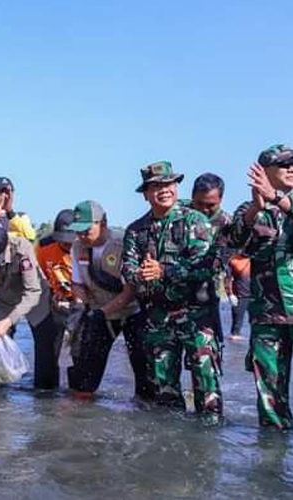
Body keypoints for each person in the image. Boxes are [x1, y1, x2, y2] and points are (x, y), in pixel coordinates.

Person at [122, 161, 222, 425]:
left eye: (168, 184)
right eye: (155, 186)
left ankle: (210, 444)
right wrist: (142, 274)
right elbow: (128, 269)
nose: (163, 190)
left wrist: (164, 271)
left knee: (206, 386)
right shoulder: (136, 230)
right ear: (145, 193)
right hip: (158, 317)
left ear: (176, 187)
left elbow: (206, 267)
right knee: (164, 390)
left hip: (197, 316)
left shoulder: (196, 220)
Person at [228, 144, 293, 429]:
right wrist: (258, 206)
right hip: (268, 315)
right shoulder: (250, 209)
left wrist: (278, 199)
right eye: (284, 164)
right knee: (270, 396)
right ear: (263, 171)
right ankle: (271, 460)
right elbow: (233, 243)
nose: (291, 168)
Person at [65, 200, 152, 400]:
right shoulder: (77, 247)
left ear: (102, 224)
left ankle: (143, 407)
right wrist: (82, 305)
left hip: (132, 311)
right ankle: (81, 408)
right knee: (85, 370)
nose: (81, 236)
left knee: (143, 369)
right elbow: (77, 283)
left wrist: (101, 313)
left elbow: (130, 291)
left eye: (86, 230)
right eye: (78, 231)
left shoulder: (123, 243)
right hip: (98, 311)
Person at [0, 225, 52, 389]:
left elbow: (33, 291)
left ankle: (46, 397)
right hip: (3, 299)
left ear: (7, 246)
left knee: (46, 350)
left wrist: (10, 321)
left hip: (35, 298)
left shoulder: (23, 250)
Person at [189, 173, 233, 359]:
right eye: (200, 204)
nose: (205, 210)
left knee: (208, 354)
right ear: (192, 197)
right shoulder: (179, 213)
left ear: (221, 199)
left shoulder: (228, 224)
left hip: (206, 295)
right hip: (173, 296)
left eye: (211, 205)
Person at [34, 209, 77, 389]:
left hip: (83, 303)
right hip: (56, 302)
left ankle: (78, 392)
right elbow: (38, 275)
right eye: (62, 239)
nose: (66, 244)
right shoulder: (42, 247)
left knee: (79, 352)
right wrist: (51, 292)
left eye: (70, 239)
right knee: (48, 351)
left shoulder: (86, 245)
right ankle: (46, 395)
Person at [225, 254, 251, 341]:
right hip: (240, 295)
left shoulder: (257, 258)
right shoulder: (234, 260)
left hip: (256, 294)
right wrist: (230, 294)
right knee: (237, 318)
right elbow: (228, 278)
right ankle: (235, 333)